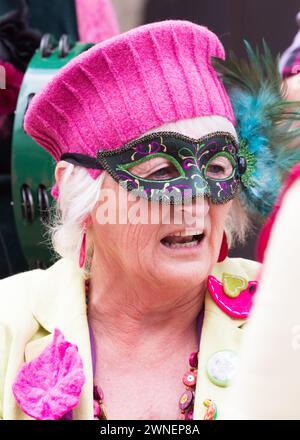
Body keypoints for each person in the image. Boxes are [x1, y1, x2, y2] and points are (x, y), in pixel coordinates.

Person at [0, 20, 299, 420]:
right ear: (80, 189)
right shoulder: (8, 323)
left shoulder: (283, 310)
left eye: (217, 167)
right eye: (160, 172)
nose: (196, 203)